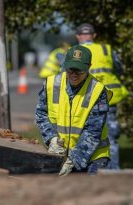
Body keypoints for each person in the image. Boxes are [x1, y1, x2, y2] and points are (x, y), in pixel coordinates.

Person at [36, 45, 111, 176]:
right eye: (70, 70)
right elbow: (41, 114)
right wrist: (52, 139)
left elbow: (93, 131)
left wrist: (73, 161)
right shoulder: (51, 84)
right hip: (61, 154)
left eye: (80, 71)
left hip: (94, 158)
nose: (74, 76)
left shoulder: (98, 91)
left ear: (89, 67)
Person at [75, 23, 129, 169]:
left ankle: (91, 171)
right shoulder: (106, 49)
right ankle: (114, 172)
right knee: (111, 138)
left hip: (86, 100)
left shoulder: (76, 52)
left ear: (78, 36)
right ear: (94, 36)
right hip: (108, 98)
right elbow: (119, 69)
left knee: (86, 136)